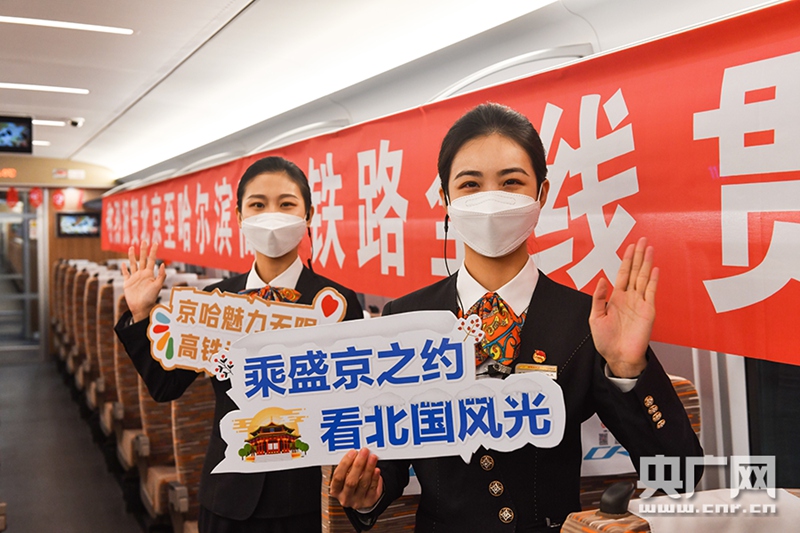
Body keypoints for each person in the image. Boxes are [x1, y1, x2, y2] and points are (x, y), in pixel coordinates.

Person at [330, 103, 703, 532]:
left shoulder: (587, 322)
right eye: (470, 184)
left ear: (541, 194)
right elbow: (388, 460)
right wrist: (368, 494)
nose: (490, 200)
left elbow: (679, 474)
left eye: (511, 182)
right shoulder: (405, 318)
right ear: (445, 198)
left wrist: (628, 369)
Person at [115, 156, 363, 533]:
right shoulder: (214, 303)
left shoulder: (336, 302)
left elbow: (358, 399)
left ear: (308, 215)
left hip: (305, 495)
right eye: (258, 205)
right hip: (229, 493)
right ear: (239, 216)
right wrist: (140, 314)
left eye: (286, 204)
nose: (272, 215)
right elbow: (166, 386)